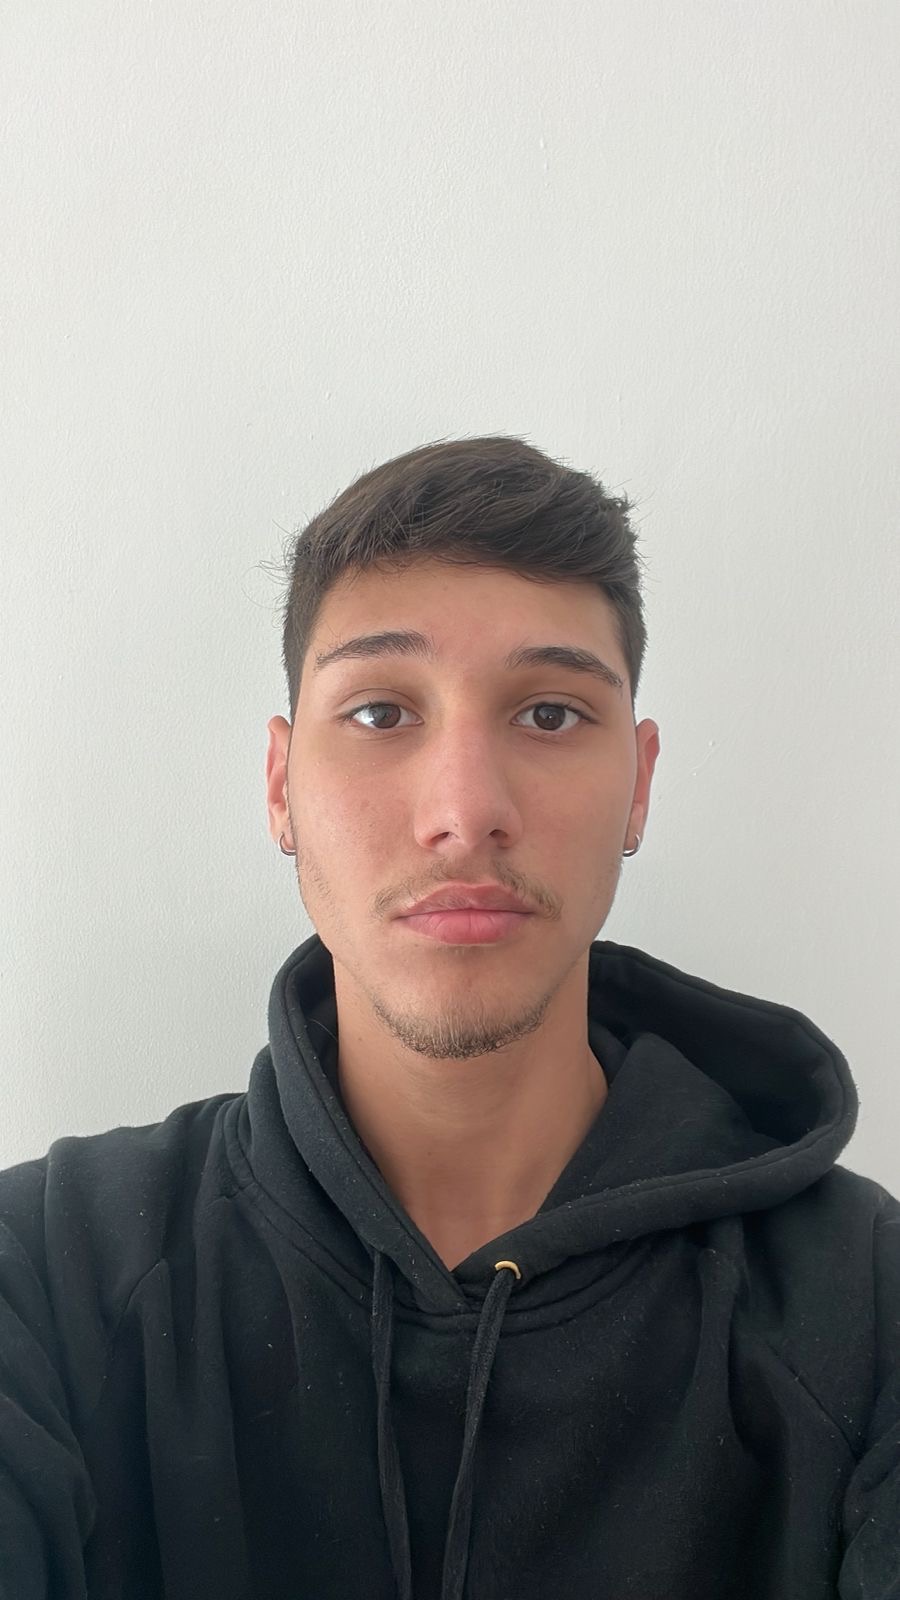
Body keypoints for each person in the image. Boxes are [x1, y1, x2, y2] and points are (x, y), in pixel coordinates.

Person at [0, 436, 897, 1600]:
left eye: (551, 713)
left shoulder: (867, 1305)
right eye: (381, 711)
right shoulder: (44, 1272)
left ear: (638, 783)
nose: (466, 811)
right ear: (280, 785)